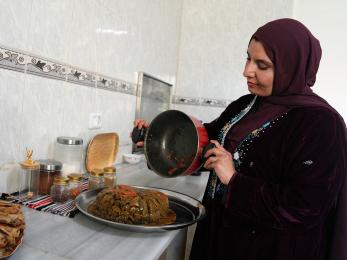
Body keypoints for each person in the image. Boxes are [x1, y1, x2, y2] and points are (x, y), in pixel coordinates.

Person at [133, 18, 347, 260]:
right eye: (248, 58)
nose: (247, 71)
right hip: (218, 234)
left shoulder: (321, 124)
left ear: (292, 67)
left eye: (262, 65)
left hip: (267, 248)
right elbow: (205, 142)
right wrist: (158, 137)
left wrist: (234, 180)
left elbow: (306, 207)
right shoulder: (246, 105)